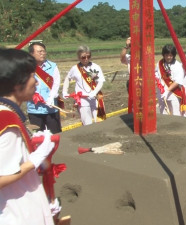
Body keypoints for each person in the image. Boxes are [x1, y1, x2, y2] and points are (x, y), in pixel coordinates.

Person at [0, 49, 56, 224]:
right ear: (18, 84)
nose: (37, 83)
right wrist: (35, 159)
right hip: (18, 213)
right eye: (33, 76)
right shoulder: (7, 121)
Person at [63, 45, 106, 125]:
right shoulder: (75, 69)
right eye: (83, 57)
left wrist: (94, 92)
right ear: (79, 57)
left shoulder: (95, 67)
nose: (86, 59)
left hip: (95, 97)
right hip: (82, 99)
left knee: (100, 122)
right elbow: (67, 79)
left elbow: (100, 81)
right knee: (87, 123)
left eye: (88, 56)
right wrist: (64, 91)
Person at [27, 42, 62, 134]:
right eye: (39, 51)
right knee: (38, 136)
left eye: (44, 51)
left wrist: (51, 97)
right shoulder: (26, 67)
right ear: (31, 54)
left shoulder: (52, 66)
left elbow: (56, 83)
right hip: (35, 109)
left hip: (51, 108)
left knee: (56, 134)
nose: (42, 53)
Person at [155, 44, 186, 116]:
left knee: (175, 113)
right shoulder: (160, 63)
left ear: (173, 55)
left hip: (173, 93)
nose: (168, 57)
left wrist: (167, 91)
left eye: (170, 55)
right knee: (163, 112)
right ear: (163, 55)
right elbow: (156, 74)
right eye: (166, 55)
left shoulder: (178, 65)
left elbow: (178, 81)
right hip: (161, 92)